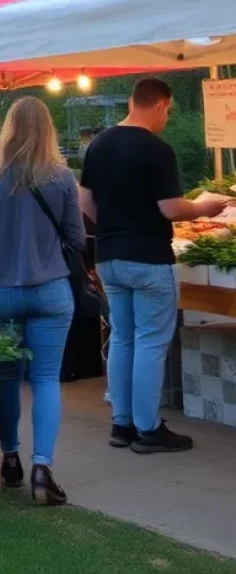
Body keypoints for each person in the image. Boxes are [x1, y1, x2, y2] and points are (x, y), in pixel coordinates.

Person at [80, 78, 227, 455]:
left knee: (123, 339)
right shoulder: (157, 149)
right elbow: (171, 208)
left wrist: (113, 228)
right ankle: (148, 428)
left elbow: (85, 201)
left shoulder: (99, 143)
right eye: (170, 111)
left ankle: (122, 423)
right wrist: (206, 207)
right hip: (148, 257)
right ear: (162, 105)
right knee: (150, 342)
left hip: (109, 256)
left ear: (132, 101)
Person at [0, 97, 83, 506]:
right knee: (46, 378)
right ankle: (42, 468)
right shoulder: (61, 177)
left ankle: (10, 457)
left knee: (8, 378)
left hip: (5, 292)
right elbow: (76, 236)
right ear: (48, 129)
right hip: (52, 288)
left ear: (9, 127)